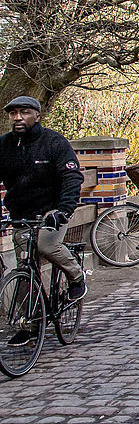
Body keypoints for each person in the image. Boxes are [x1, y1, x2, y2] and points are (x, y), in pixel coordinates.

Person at [0, 95, 88, 342]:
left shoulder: (54, 142)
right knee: (25, 267)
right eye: (13, 113)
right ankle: (29, 324)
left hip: (52, 211)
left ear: (37, 115)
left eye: (24, 112)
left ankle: (76, 276)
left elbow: (72, 178)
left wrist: (64, 209)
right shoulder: (4, 145)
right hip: (21, 214)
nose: (18, 117)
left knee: (46, 245)